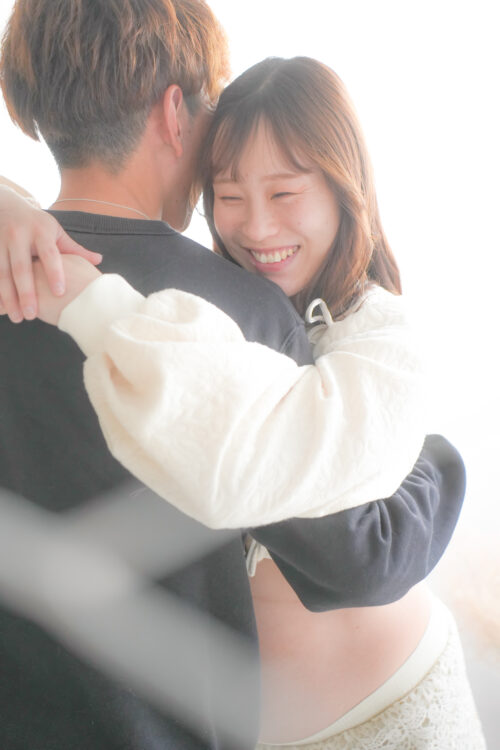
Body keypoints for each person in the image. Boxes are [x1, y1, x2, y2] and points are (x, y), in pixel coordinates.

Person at [0, 2, 471, 748]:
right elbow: (358, 554)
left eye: (284, 192)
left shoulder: (14, 261)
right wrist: (439, 465)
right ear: (174, 113)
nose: (254, 223)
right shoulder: (241, 310)